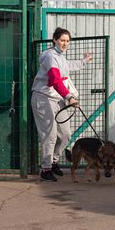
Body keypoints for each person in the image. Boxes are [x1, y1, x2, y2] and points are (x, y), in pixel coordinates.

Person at [31, 27, 92, 181]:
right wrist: (69, 97)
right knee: (49, 135)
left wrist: (84, 61)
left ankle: (53, 161)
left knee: (65, 134)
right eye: (62, 40)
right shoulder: (50, 56)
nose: (65, 43)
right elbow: (54, 79)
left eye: (67, 41)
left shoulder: (61, 57)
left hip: (58, 99)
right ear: (54, 40)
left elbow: (68, 67)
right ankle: (45, 169)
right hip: (43, 97)